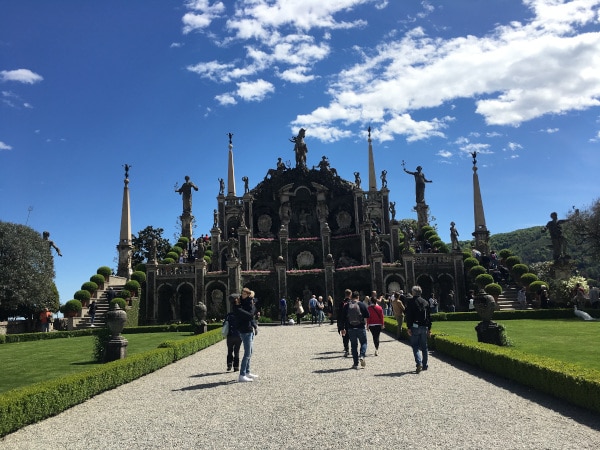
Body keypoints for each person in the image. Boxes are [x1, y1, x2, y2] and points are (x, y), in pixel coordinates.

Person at [405, 285, 432, 373]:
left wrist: (408, 327)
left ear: (413, 292)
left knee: (415, 346)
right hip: (424, 327)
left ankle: (419, 362)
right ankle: (424, 365)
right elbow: (428, 317)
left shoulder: (411, 302)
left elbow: (409, 316)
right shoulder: (425, 302)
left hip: (414, 326)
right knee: (424, 347)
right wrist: (429, 328)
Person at [340, 291, 370, 369]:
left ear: (351, 297)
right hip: (360, 327)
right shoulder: (361, 304)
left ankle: (355, 363)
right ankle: (362, 356)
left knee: (353, 345)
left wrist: (342, 328)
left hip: (350, 328)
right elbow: (368, 315)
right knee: (363, 342)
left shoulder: (347, 306)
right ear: (358, 297)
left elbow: (342, 318)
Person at [236, 287, 259, 382]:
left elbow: (251, 316)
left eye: (245, 294)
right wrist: (253, 308)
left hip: (249, 330)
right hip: (245, 330)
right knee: (247, 353)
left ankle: (247, 372)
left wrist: (254, 326)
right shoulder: (240, 305)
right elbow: (250, 315)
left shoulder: (248, 303)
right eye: (242, 293)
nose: (243, 295)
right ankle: (242, 375)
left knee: (250, 352)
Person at [226, 294, 242, 372]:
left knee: (229, 350)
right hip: (238, 335)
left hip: (230, 335)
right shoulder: (240, 315)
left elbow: (225, 325)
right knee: (237, 351)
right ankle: (236, 367)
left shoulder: (229, 315)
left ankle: (229, 364)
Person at [337, 289, 352, 357]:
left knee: (345, 336)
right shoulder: (352, 302)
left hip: (344, 322)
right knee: (352, 336)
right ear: (350, 294)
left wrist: (339, 325)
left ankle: (346, 350)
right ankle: (352, 349)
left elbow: (339, 315)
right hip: (352, 322)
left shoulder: (342, 303)